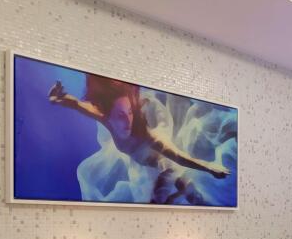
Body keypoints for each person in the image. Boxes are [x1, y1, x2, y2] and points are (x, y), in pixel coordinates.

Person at [48, 76, 229, 203]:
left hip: (167, 167)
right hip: (150, 168)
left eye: (130, 112)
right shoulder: (104, 119)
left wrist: (209, 167)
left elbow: (178, 157)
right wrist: (57, 99)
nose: (128, 121)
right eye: (120, 115)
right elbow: (77, 104)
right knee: (181, 194)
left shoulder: (147, 136)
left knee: (181, 194)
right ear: (108, 114)